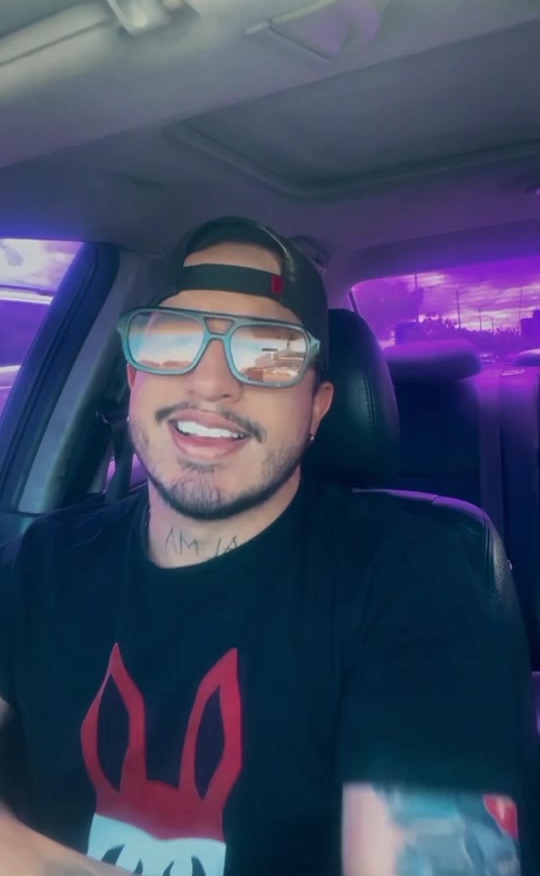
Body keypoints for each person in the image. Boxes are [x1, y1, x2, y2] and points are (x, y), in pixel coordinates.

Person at [0, 216, 536, 876]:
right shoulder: (46, 560)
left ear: (317, 408)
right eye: (172, 340)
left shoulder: (422, 580)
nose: (209, 383)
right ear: (134, 380)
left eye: (269, 352)